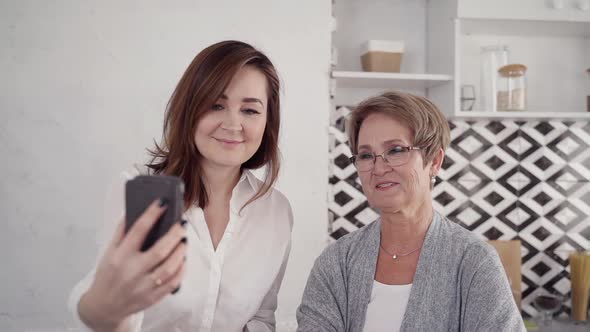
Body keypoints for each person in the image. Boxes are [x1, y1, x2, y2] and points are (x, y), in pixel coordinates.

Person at [68, 40, 293, 332]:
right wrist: (103, 310)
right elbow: (102, 299)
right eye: (216, 105)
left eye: (250, 110)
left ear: (267, 122)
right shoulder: (137, 190)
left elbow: (262, 318)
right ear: (190, 109)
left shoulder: (275, 211)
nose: (233, 123)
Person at [296, 91, 525, 331]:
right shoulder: (336, 263)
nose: (379, 167)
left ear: (434, 161)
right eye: (365, 155)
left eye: (395, 150)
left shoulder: (474, 263)